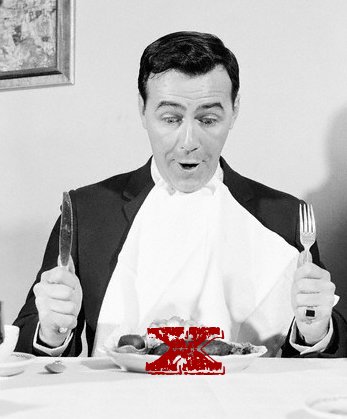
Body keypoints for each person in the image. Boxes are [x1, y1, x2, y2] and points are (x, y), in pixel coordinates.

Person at [14, 31, 347, 358]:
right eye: (171, 118)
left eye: (208, 118)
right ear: (143, 110)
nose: (189, 141)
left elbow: (324, 356)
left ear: (235, 110)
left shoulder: (287, 217)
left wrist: (315, 331)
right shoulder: (85, 212)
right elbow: (27, 341)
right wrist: (52, 329)